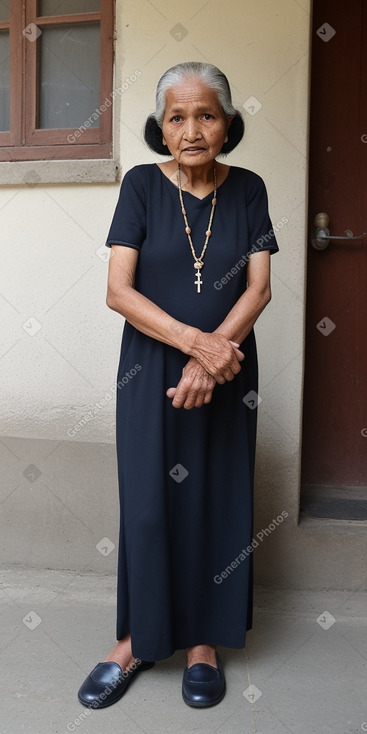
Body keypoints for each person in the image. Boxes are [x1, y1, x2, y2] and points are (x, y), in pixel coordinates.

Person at [77, 61, 279, 710]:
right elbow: (118, 292)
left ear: (227, 124)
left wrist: (214, 357)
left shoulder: (247, 189)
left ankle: (203, 642)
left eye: (206, 115)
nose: (191, 129)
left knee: (217, 500)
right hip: (151, 367)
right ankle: (137, 640)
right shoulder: (139, 186)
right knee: (146, 504)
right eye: (176, 117)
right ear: (160, 129)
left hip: (227, 370)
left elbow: (258, 288)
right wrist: (195, 346)